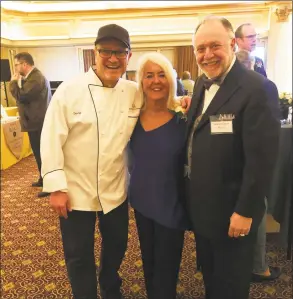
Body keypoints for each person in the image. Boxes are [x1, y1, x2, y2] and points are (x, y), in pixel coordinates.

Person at [40, 24, 190, 299]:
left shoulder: (133, 90)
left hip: (115, 189)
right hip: (75, 190)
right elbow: (50, 137)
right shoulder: (69, 90)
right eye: (105, 51)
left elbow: (161, 99)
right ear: (94, 54)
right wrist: (56, 186)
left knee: (117, 247)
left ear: (128, 56)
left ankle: (111, 288)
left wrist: (183, 101)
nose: (112, 58)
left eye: (119, 52)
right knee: (78, 254)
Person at [185, 16, 280, 299]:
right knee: (212, 278)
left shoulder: (257, 88)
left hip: (233, 212)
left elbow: (262, 159)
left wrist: (245, 211)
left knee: (232, 284)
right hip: (203, 209)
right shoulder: (202, 84)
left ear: (231, 43)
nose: (207, 54)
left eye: (215, 46)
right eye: (200, 49)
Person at [128, 52, 189, 299]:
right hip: (142, 200)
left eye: (161, 75)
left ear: (171, 80)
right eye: (149, 75)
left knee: (167, 264)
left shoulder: (183, 117)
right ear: (141, 81)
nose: (155, 81)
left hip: (171, 202)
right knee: (149, 261)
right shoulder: (131, 117)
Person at [236, 49, 281, 282]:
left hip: (245, 169)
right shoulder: (263, 85)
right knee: (257, 213)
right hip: (246, 169)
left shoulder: (262, 88)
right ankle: (258, 266)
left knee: (252, 215)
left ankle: (256, 265)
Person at [9, 52, 51, 198]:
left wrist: (13, 83)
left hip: (38, 122)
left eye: (16, 64)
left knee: (43, 154)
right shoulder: (32, 77)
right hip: (34, 122)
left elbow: (22, 96)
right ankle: (43, 178)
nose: (15, 68)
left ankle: (49, 184)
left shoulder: (36, 78)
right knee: (38, 153)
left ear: (24, 64)